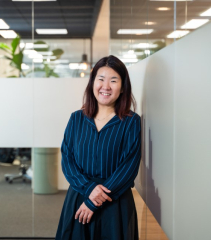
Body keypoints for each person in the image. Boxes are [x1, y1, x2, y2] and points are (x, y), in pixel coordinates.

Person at [55, 55, 141, 240]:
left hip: (114, 204)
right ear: (92, 83)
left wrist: (93, 202)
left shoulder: (131, 122)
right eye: (100, 79)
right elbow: (67, 160)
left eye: (113, 80)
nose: (106, 86)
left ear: (123, 86)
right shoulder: (76, 118)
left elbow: (129, 167)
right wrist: (88, 189)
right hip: (79, 199)